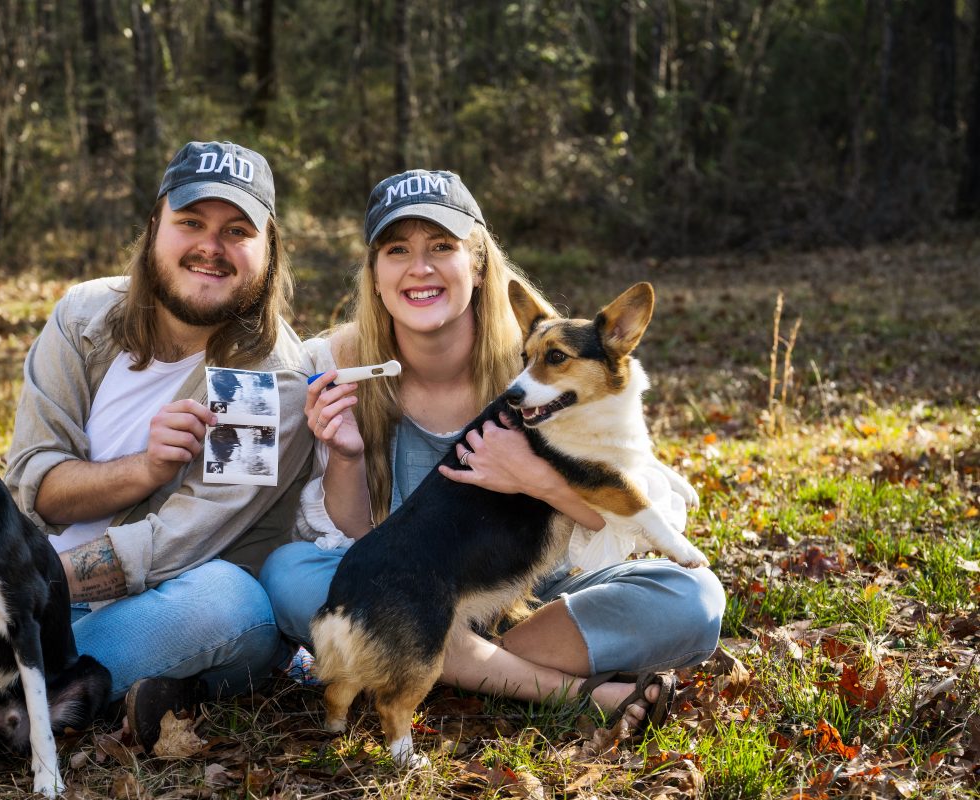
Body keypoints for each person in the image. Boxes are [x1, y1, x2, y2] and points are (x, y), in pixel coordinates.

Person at [0, 141, 311, 754]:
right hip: (36, 595)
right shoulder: (84, 318)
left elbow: (181, 542)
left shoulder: (268, 378)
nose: (211, 246)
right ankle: (67, 700)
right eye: (191, 223)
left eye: (238, 230)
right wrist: (143, 471)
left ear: (268, 250)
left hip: (160, 606)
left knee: (232, 603)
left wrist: (28, 596)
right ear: (156, 226)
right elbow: (33, 482)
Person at [259, 169, 725, 731]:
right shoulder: (334, 367)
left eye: (442, 247)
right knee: (290, 574)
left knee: (693, 596)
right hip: (409, 589)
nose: (420, 267)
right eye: (397, 249)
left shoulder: (544, 364)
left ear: (477, 264)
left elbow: (628, 518)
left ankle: (467, 665)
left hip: (539, 594)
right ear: (375, 273)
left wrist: (534, 477)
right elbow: (357, 544)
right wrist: (348, 456)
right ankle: (566, 691)